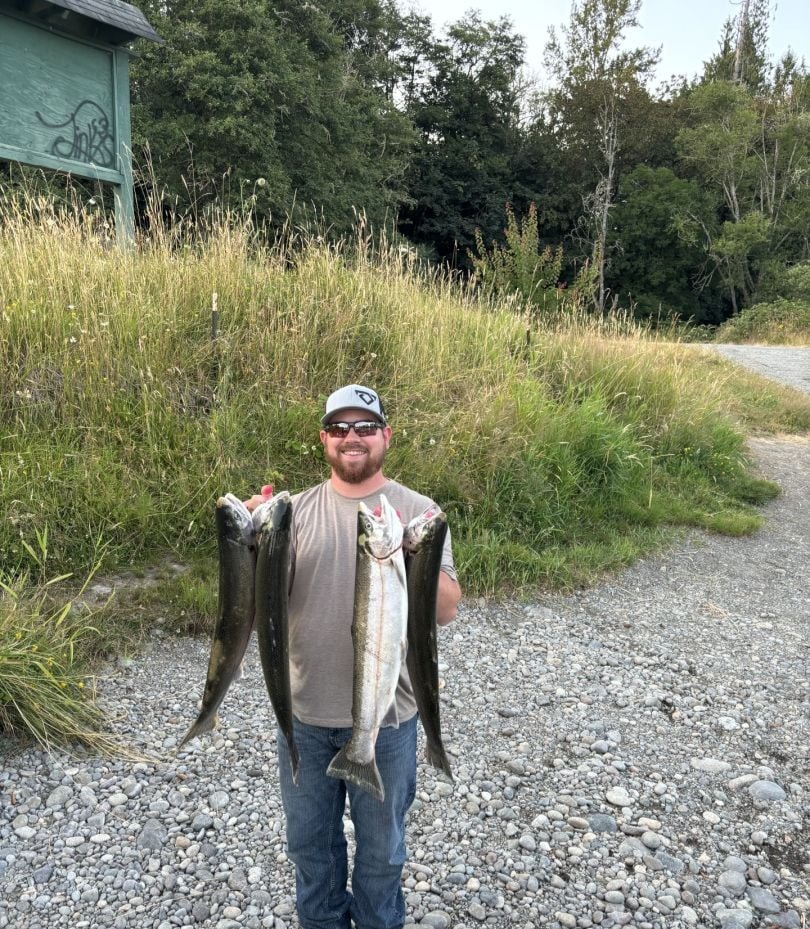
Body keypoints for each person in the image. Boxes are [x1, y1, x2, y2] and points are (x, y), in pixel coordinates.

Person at [245, 383, 461, 929]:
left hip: (388, 722)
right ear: (324, 439)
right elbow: (263, 601)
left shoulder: (419, 511)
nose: (352, 437)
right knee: (310, 851)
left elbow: (446, 610)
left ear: (386, 435)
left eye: (365, 427)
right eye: (339, 428)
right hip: (305, 718)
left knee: (382, 858)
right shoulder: (292, 511)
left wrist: (417, 553)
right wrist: (253, 539)